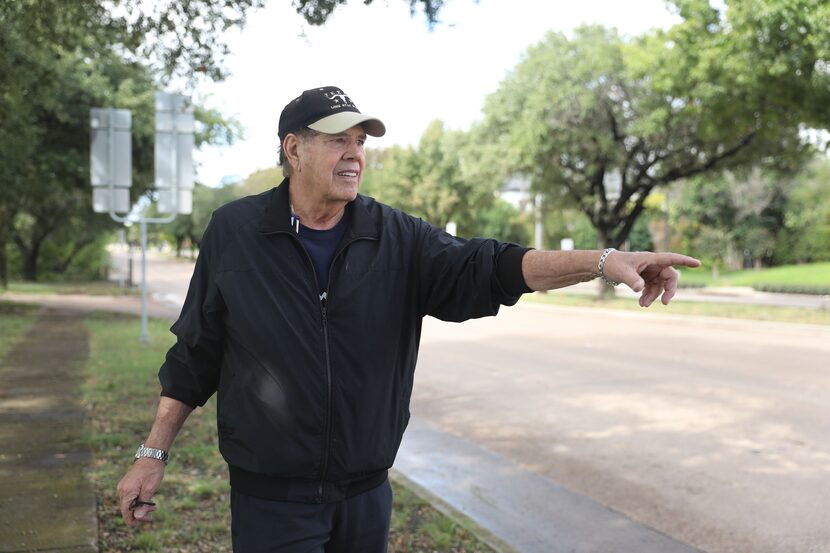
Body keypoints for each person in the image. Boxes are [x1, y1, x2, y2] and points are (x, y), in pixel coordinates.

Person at [116, 86, 700, 552]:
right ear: (293, 150)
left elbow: (493, 266)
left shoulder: (396, 237)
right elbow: (197, 352)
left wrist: (602, 261)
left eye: (360, 142)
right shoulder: (235, 233)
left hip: (365, 498)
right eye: (336, 140)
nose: (354, 153)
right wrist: (153, 454)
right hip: (272, 501)